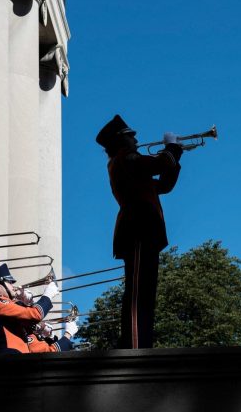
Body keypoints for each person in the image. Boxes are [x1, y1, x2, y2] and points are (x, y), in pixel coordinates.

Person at [96, 114, 183, 349]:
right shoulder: (125, 158)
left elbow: (163, 186)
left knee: (145, 293)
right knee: (137, 294)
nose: (136, 141)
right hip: (137, 227)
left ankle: (141, 342)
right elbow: (158, 164)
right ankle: (135, 346)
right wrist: (171, 148)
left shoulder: (129, 163)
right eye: (131, 137)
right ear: (121, 141)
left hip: (146, 228)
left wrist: (174, 157)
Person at [0, 263, 58, 354]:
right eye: (9, 282)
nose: (13, 286)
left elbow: (28, 323)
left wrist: (25, 302)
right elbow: (35, 314)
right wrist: (47, 295)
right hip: (10, 356)